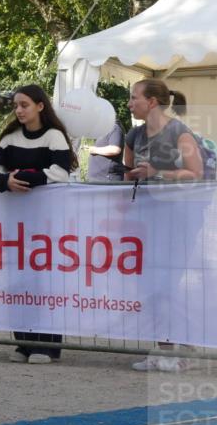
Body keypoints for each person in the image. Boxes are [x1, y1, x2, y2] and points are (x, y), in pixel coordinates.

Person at [0, 84, 77, 364]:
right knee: (17, 281)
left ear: (40, 106)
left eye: (24, 104)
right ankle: (24, 342)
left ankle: (48, 345)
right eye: (16, 105)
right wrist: (5, 181)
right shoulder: (10, 137)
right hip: (15, 221)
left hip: (47, 222)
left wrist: (23, 177)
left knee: (45, 281)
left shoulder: (55, 136)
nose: (19, 110)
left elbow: (60, 173)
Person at [123, 79, 204, 373]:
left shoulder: (180, 132)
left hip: (182, 216)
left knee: (171, 284)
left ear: (152, 102)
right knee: (152, 285)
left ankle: (185, 349)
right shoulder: (134, 134)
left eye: (134, 98)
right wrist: (132, 177)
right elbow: (127, 171)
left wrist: (159, 171)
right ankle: (161, 348)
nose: (130, 103)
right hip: (149, 216)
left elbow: (196, 173)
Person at [87, 116, 125, 182]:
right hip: (100, 180)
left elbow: (115, 149)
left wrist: (94, 150)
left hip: (107, 180)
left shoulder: (114, 128)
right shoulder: (106, 130)